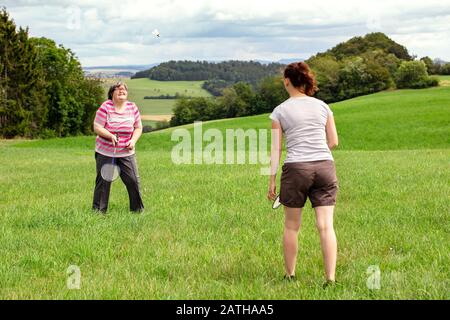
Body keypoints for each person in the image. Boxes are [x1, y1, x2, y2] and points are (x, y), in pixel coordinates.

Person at [267, 62, 339, 288]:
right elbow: (333, 141)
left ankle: (290, 276)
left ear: (287, 81)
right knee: (326, 226)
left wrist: (271, 179)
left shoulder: (280, 111)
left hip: (296, 168)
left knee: (291, 226)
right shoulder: (323, 107)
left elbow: (276, 149)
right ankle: (330, 279)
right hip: (325, 166)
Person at [92, 82, 145, 213]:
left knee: (133, 180)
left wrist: (133, 140)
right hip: (106, 152)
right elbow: (97, 127)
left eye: (124, 89)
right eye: (118, 89)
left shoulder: (132, 107)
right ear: (111, 93)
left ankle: (137, 211)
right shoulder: (106, 107)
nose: (122, 90)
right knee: (104, 182)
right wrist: (109, 135)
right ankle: (99, 212)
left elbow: (138, 127)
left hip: (126, 152)